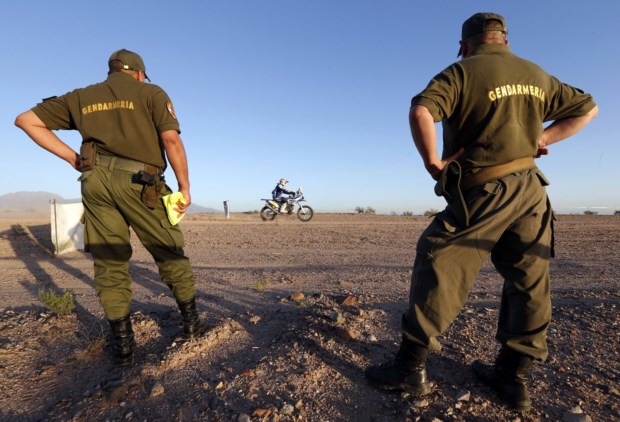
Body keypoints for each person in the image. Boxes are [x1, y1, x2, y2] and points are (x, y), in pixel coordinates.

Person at [365, 13, 598, 411]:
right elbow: (588, 109)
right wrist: (541, 137)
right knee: (528, 278)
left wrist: (433, 162)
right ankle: (512, 376)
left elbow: (421, 111)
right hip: (532, 191)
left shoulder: (461, 72)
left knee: (440, 260)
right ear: (505, 41)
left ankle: (410, 368)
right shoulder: (537, 75)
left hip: (486, 188)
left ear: (464, 45)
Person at [15, 49, 209, 366]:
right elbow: (171, 140)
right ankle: (191, 324)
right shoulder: (151, 93)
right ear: (138, 73)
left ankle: (124, 348)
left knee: (109, 262)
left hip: (96, 183)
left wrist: (73, 159)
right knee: (167, 250)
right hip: (141, 183)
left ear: (112, 72)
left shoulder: (81, 97)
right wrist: (185, 187)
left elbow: (26, 120)